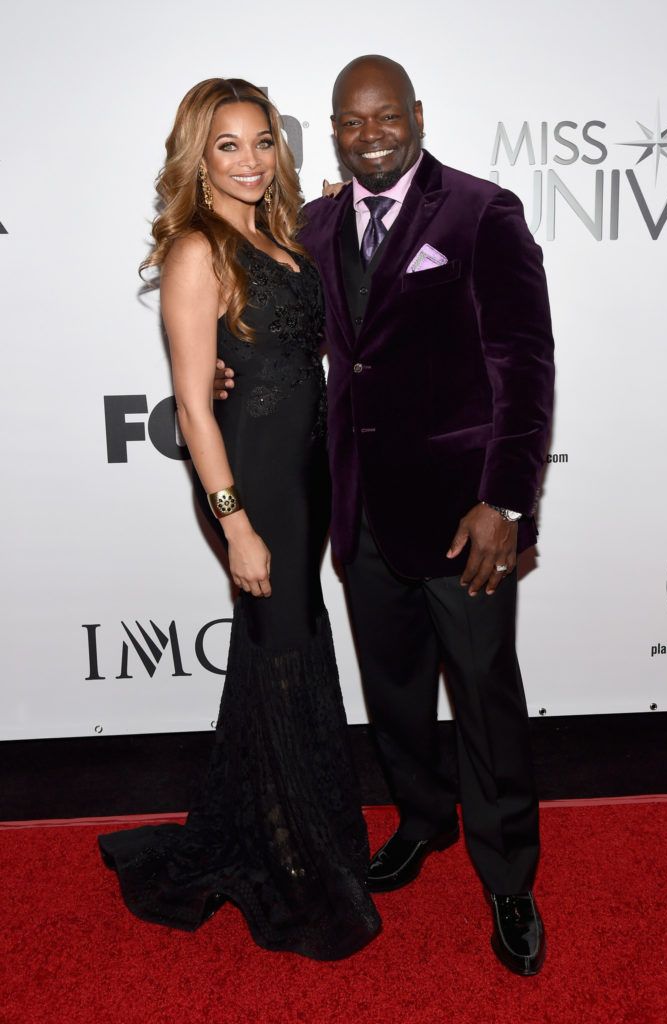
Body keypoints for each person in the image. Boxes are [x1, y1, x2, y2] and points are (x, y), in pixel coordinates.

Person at [215, 56, 554, 976]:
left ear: (416, 114)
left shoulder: (483, 214)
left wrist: (507, 502)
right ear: (333, 130)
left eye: (385, 118)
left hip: (464, 519)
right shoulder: (316, 224)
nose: (370, 137)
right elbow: (281, 325)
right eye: (351, 123)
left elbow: (524, 369)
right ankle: (420, 820)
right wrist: (220, 366)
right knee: (395, 687)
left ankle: (510, 875)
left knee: (484, 694)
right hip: (358, 512)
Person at [98, 78, 381, 962]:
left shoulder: (281, 235)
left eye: (264, 141)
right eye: (229, 145)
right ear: (199, 155)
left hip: (305, 474)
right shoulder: (198, 251)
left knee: (280, 654)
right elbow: (191, 404)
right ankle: (298, 862)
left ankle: (281, 832)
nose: (252, 159)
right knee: (285, 644)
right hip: (253, 481)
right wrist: (235, 524)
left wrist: (332, 213)